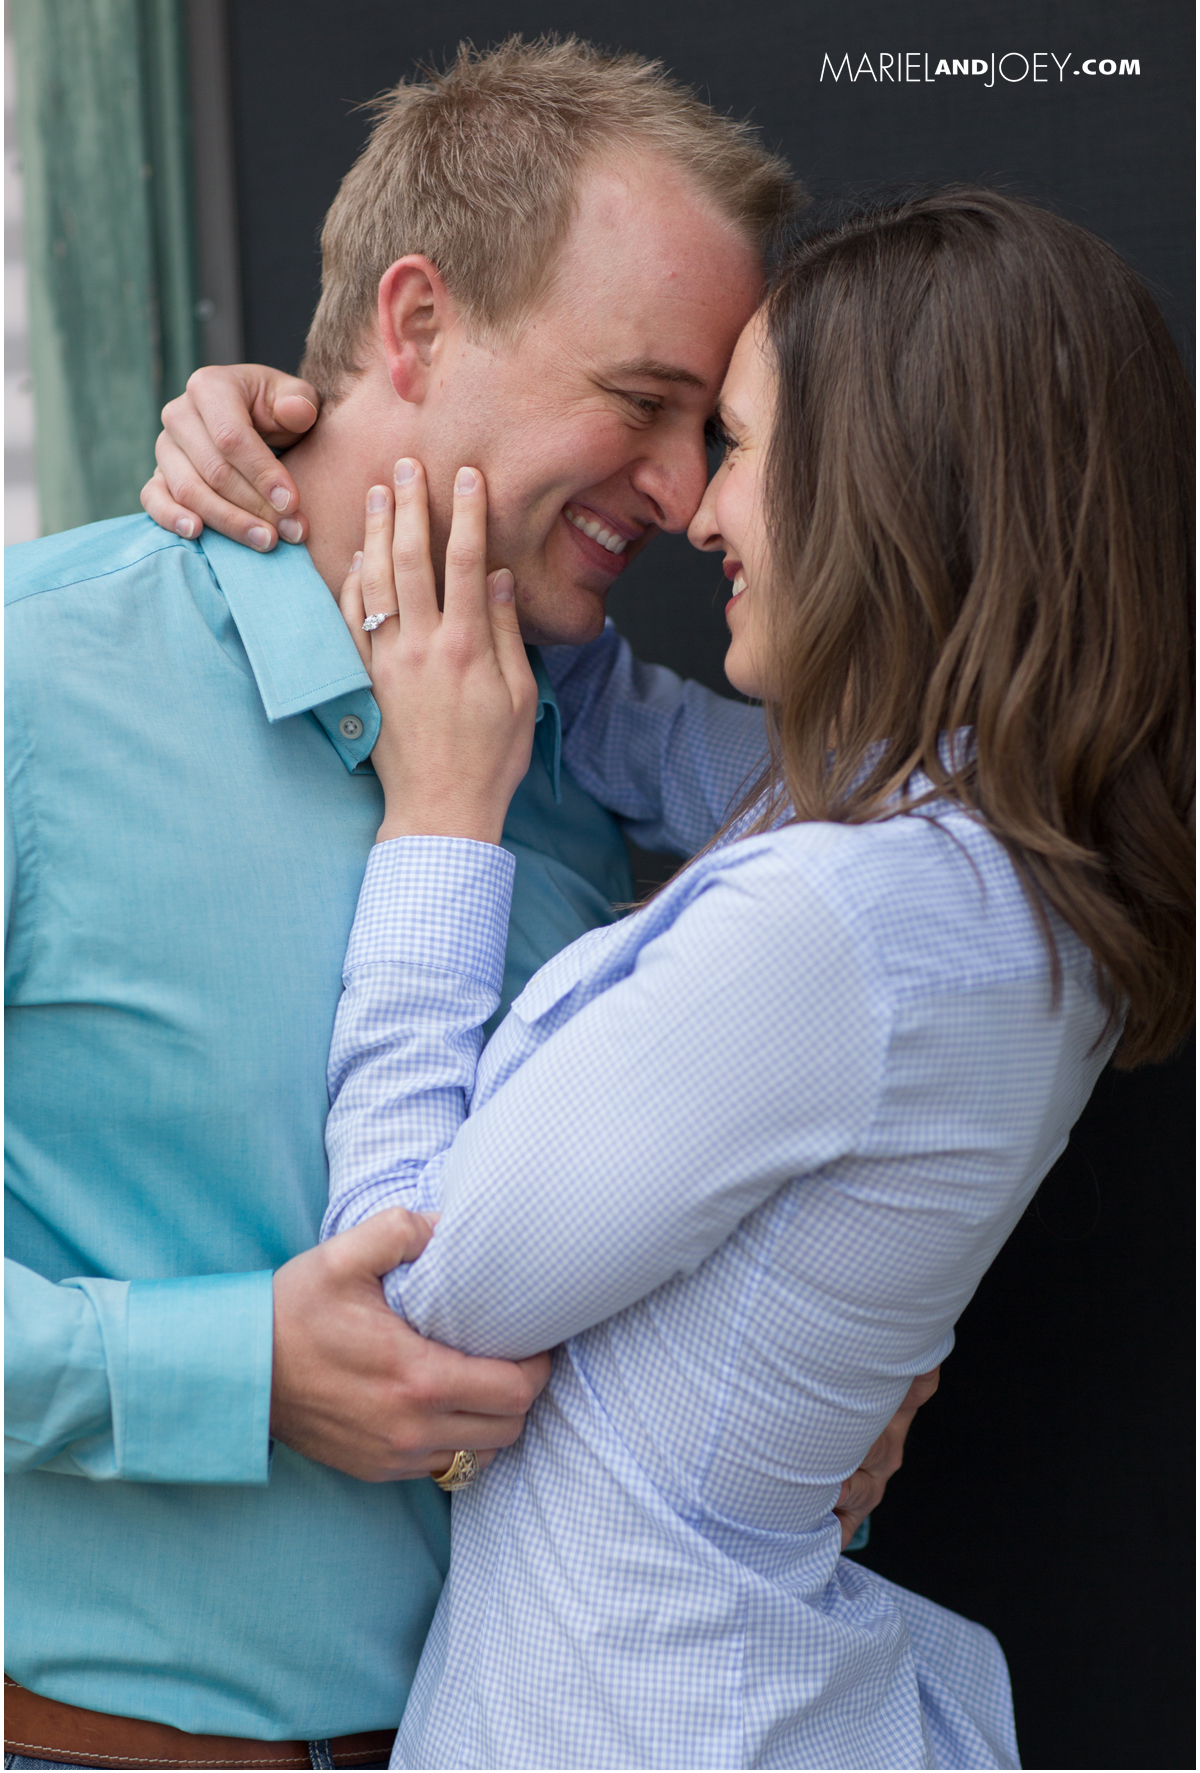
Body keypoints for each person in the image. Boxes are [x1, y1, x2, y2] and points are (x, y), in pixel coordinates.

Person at [5, 38, 919, 1773]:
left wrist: (832, 1400)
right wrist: (234, 1368)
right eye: (640, 402)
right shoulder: (32, 689)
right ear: (414, 326)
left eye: (710, 431)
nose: (681, 493)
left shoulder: (596, 758)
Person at [303, 191, 1191, 1768]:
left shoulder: (843, 923)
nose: (702, 514)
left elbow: (408, 1296)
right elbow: (649, 734)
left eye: (742, 447)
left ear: (892, 492)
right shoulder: (1004, 856)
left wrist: (441, 819)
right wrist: (306, 443)